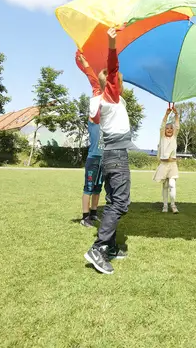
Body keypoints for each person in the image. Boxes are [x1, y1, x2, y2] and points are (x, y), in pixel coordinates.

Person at [84, 27, 131, 275]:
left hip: (109, 154)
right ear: (115, 85)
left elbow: (98, 81)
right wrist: (112, 41)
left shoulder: (102, 100)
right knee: (121, 203)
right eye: (118, 81)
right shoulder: (112, 97)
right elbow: (111, 69)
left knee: (113, 200)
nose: (120, 83)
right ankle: (99, 247)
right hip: (116, 155)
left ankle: (111, 246)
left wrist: (92, 75)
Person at [76, 52, 104, 228]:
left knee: (98, 188)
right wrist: (86, 62)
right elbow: (94, 80)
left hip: (103, 159)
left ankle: (94, 213)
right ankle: (84, 217)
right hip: (93, 158)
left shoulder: (107, 119)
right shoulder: (94, 114)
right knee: (88, 187)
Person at [153, 106, 180, 214]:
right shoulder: (162, 137)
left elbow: (177, 126)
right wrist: (167, 114)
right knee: (165, 186)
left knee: (172, 184)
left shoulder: (174, 137)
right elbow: (162, 126)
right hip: (164, 164)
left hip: (173, 164)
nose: (169, 130)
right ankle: (165, 205)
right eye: (167, 128)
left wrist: (176, 114)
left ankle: (173, 205)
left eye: (171, 129)